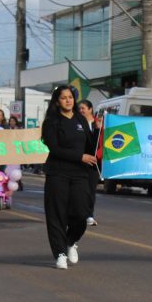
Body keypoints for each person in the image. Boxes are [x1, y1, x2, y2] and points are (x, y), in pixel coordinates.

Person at [42, 85, 96, 269]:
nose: (68, 100)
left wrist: (98, 131)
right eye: (64, 97)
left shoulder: (80, 119)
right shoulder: (51, 122)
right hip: (57, 173)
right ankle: (60, 254)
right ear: (57, 101)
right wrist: (79, 157)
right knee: (57, 215)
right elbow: (54, 149)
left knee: (82, 213)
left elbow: (90, 146)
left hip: (80, 174)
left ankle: (71, 241)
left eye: (70, 97)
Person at [78, 99, 101, 227]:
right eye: (79, 108)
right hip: (80, 161)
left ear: (90, 109)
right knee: (79, 190)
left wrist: (98, 128)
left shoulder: (98, 123)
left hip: (94, 163)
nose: (81, 110)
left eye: (83, 108)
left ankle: (89, 215)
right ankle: (78, 214)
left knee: (91, 190)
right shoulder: (77, 123)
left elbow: (101, 143)